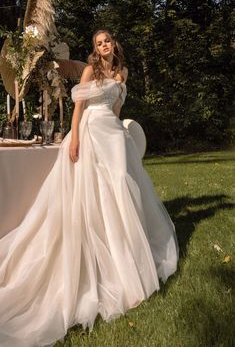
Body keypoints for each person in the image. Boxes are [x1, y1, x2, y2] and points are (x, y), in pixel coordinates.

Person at [0, 29, 179, 347]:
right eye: (98, 43)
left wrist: (122, 138)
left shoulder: (121, 74)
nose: (103, 45)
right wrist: (76, 139)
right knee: (93, 197)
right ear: (95, 48)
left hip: (114, 139)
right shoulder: (89, 70)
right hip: (90, 135)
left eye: (107, 40)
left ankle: (125, 257)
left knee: (121, 193)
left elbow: (116, 112)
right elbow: (79, 111)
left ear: (114, 43)